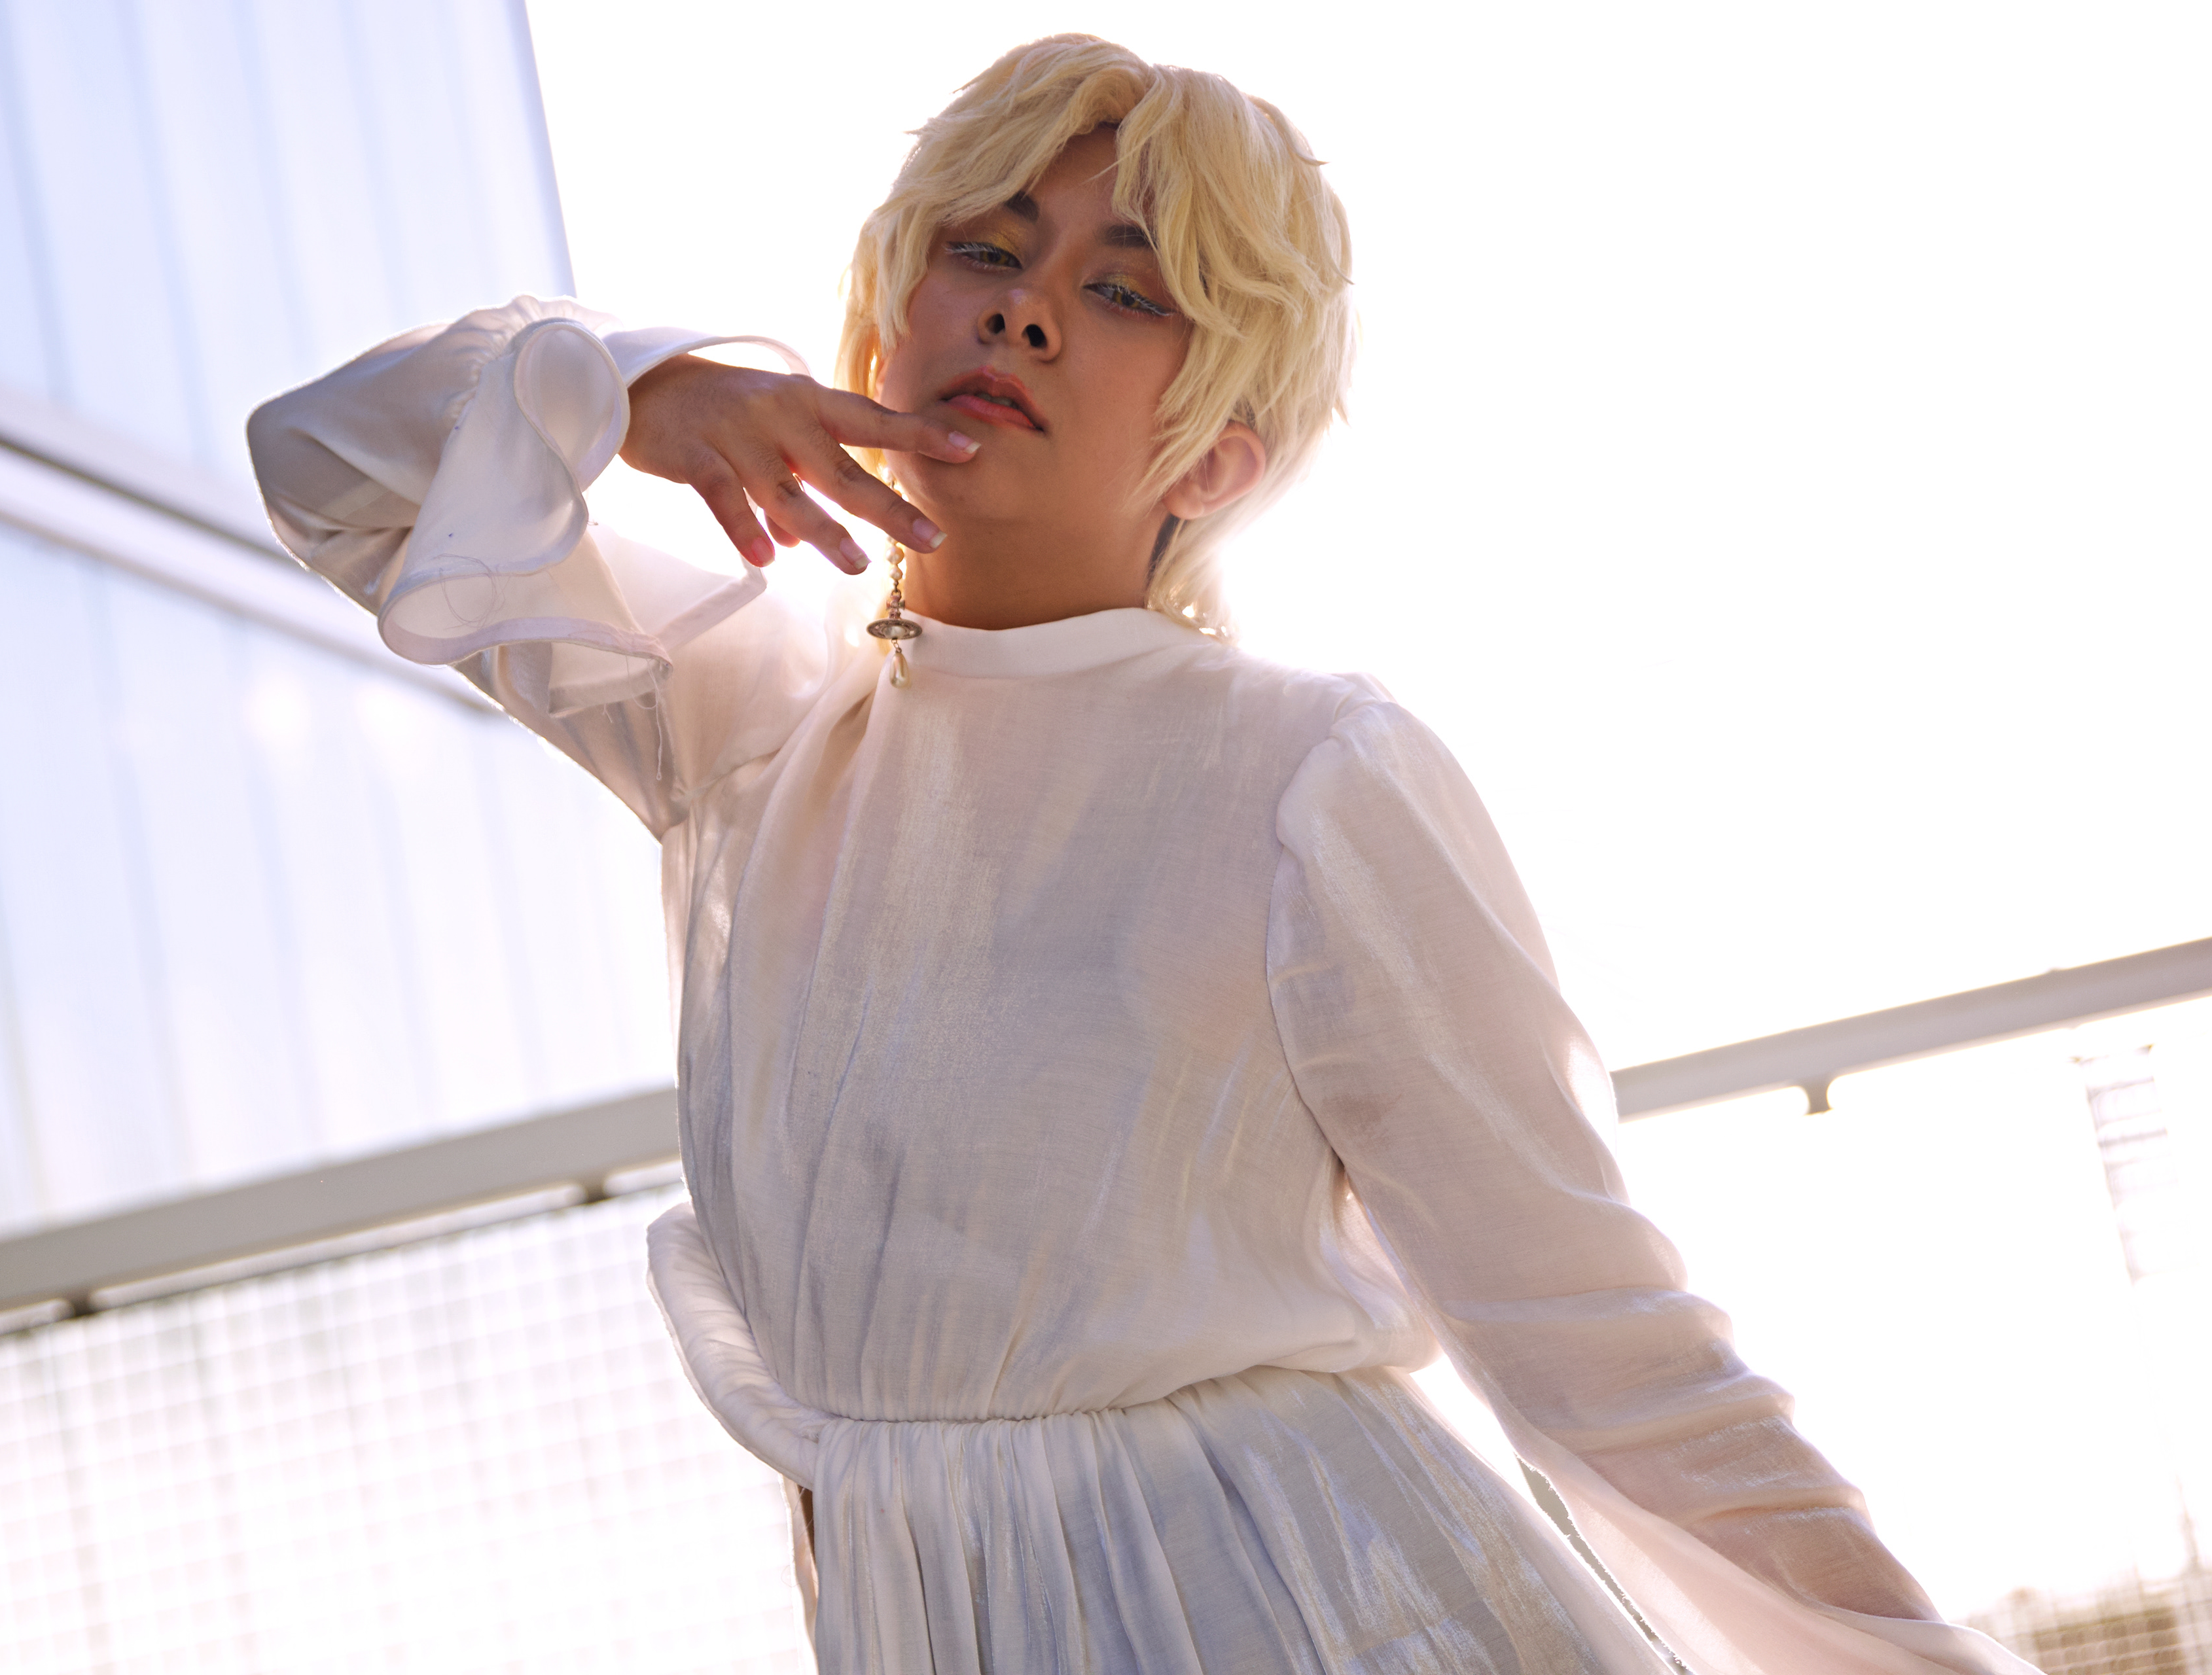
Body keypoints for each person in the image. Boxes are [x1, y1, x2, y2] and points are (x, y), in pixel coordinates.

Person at [247, 34, 2033, 1675]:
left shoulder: (1310, 772)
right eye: (986, 250)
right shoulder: (748, 717)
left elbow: (1610, 1345)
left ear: (1218, 458)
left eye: (1124, 291)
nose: (1025, 313)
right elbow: (327, 463)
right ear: (882, 327)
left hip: (1301, 1610)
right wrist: (639, 386)